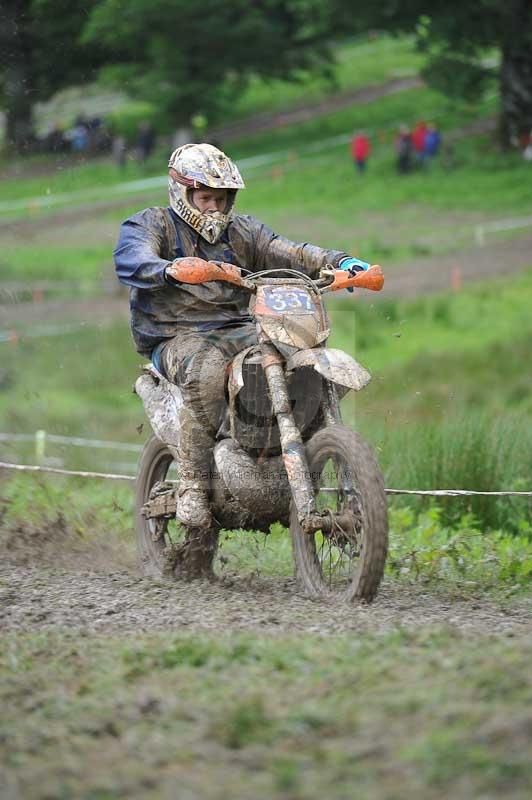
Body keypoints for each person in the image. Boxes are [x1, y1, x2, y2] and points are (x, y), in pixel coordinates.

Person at [114, 143, 373, 530]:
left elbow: (287, 251)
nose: (214, 208)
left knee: (298, 359)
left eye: (221, 199)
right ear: (181, 191)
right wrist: (171, 269)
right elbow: (131, 257)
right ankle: (193, 488)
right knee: (206, 372)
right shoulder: (152, 225)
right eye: (205, 198)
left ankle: (304, 451)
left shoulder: (244, 232)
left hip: (241, 329)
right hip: (176, 336)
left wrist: (340, 262)